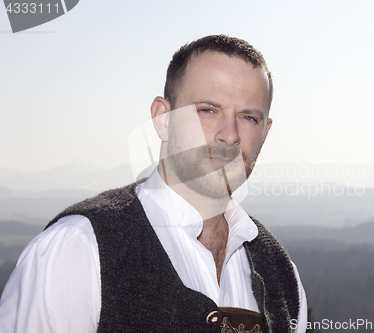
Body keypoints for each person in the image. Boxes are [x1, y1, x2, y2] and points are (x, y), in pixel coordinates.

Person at [0, 35, 307, 332]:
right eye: (208, 110)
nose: (229, 134)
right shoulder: (77, 250)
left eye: (248, 117)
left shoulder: (281, 275)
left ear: (265, 131)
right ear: (163, 118)